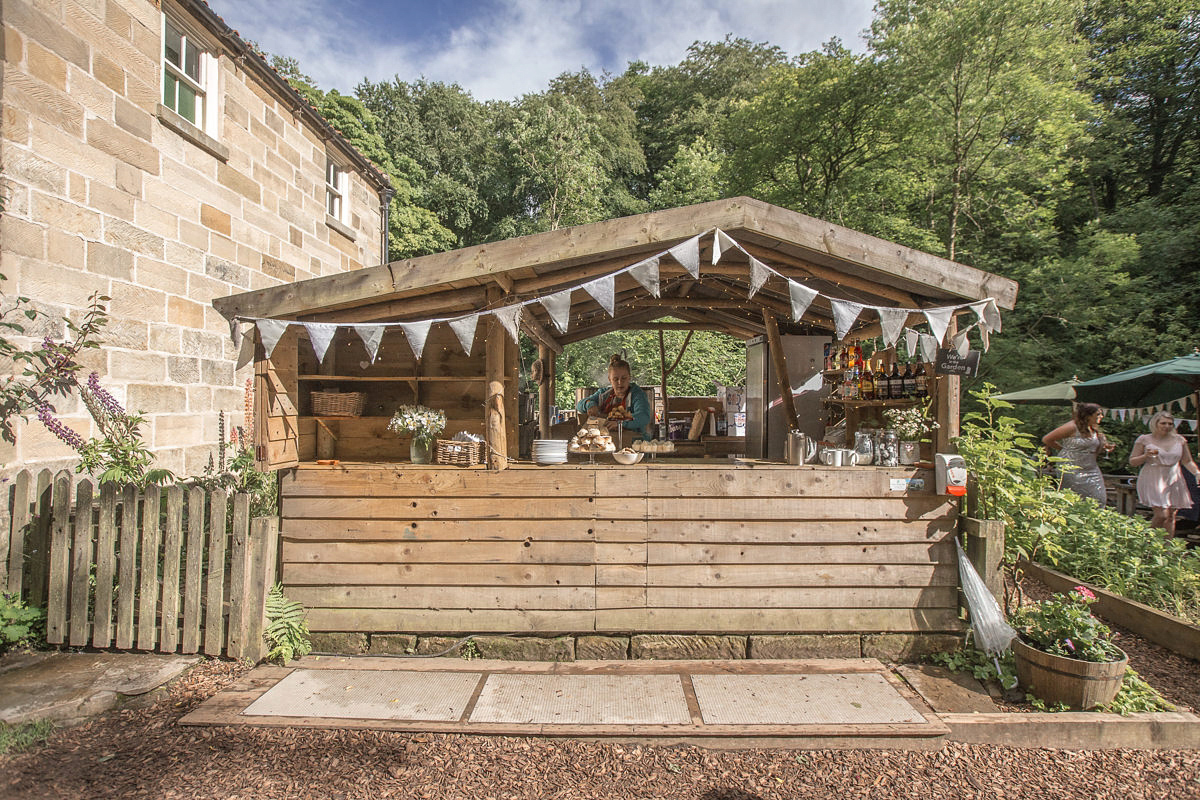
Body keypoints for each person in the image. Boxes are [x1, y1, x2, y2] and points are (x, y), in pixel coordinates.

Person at [1129, 411, 1200, 535]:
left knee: (1171, 516)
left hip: (1174, 477)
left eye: (1170, 424)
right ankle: (1144, 540)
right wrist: (1146, 455)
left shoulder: (1179, 440)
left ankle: (1168, 549)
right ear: (1155, 424)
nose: (1166, 426)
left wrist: (1197, 473)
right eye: (1163, 423)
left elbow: (1187, 461)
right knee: (1162, 515)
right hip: (1153, 477)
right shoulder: (1144, 439)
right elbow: (1133, 462)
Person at [1042, 402, 1113, 504]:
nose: (1101, 416)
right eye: (1098, 414)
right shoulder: (1072, 427)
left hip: (1091, 468)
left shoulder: (1092, 428)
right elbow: (1047, 439)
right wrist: (1064, 449)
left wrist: (1104, 446)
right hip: (1071, 468)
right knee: (1075, 499)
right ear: (1087, 415)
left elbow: (1090, 446)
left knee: (1099, 497)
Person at [575, 353, 653, 439]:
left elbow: (643, 417)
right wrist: (590, 404)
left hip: (634, 444)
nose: (620, 382)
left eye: (624, 378)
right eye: (615, 379)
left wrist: (620, 423)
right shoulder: (604, 394)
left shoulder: (637, 394)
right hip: (606, 443)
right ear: (609, 379)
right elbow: (579, 405)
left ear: (629, 377)